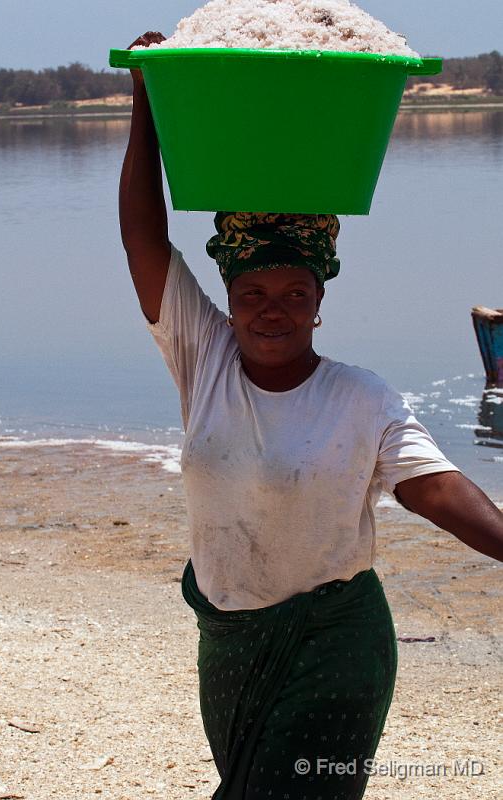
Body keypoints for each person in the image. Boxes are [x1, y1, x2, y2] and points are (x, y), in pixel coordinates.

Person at [119, 32, 503, 800]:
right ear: (226, 303)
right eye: (255, 294)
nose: (273, 311)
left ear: (320, 304)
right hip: (229, 639)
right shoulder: (204, 358)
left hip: (337, 644)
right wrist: (146, 101)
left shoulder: (361, 399)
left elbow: (435, 490)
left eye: (295, 294)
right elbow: (143, 236)